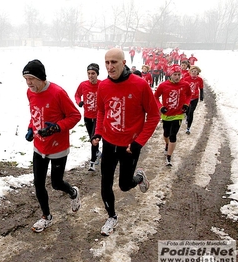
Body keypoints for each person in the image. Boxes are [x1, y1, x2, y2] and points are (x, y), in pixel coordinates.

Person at [91, 48, 160, 236]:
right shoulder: (103, 86)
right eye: (107, 62)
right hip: (109, 143)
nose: (110, 66)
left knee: (124, 185)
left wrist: (139, 142)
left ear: (123, 63)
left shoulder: (139, 85)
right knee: (105, 184)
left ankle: (139, 177)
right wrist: (98, 133)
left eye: (114, 62)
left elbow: (154, 116)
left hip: (130, 146)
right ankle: (112, 216)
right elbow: (101, 111)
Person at [23, 59, 82, 233]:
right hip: (39, 146)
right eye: (26, 79)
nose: (29, 83)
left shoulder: (58, 93)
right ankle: (46, 216)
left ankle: (73, 192)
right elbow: (35, 113)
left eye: (32, 78)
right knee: (38, 183)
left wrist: (57, 127)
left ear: (41, 78)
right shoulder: (30, 92)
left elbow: (75, 116)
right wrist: (30, 127)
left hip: (58, 147)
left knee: (56, 183)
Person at [154, 65, 192, 166]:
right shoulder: (163, 85)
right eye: (175, 74)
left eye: (179, 74)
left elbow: (189, 95)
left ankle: (169, 157)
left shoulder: (185, 85)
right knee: (166, 133)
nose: (177, 76)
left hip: (178, 114)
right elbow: (155, 97)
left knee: (173, 135)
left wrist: (186, 104)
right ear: (170, 75)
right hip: (167, 114)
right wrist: (161, 107)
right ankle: (167, 144)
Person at [75, 63, 102, 171]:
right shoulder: (83, 85)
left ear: (97, 74)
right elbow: (77, 95)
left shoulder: (102, 84)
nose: (91, 76)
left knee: (94, 139)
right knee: (92, 138)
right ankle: (97, 153)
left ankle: (92, 162)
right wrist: (79, 102)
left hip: (99, 117)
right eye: (89, 73)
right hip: (87, 116)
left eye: (93, 73)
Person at [182, 65, 204, 134]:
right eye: (192, 71)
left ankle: (188, 128)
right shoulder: (186, 79)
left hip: (195, 98)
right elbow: (182, 86)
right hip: (187, 98)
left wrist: (201, 96)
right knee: (187, 111)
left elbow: (201, 88)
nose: (194, 72)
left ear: (197, 72)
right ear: (190, 72)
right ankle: (187, 116)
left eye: (195, 71)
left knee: (191, 112)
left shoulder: (199, 79)